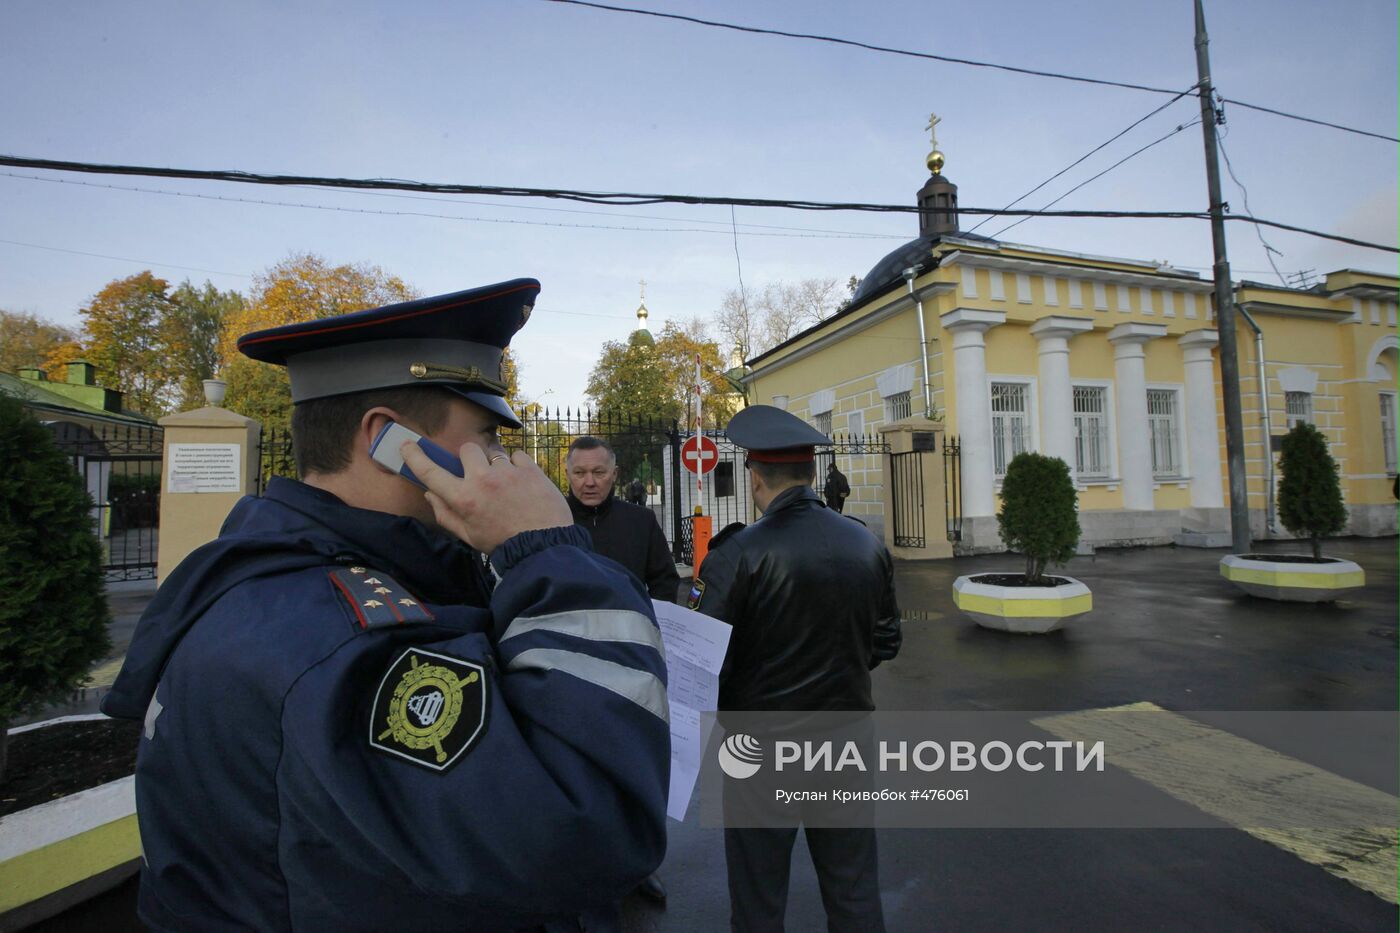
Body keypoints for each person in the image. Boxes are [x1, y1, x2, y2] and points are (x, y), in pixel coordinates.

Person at [101, 281, 669, 932]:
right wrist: (546, 552)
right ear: (389, 441)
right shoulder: (338, 635)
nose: (501, 460)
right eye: (484, 435)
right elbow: (595, 827)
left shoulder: (294, 580)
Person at [689, 405, 901, 933]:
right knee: (853, 890)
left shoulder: (738, 552)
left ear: (755, 477)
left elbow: (706, 658)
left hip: (759, 750)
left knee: (759, 899)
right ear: (810, 473)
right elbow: (888, 641)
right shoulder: (865, 542)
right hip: (847, 738)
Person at [566, 436, 680, 604]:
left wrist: (649, 621)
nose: (589, 482)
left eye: (599, 472)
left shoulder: (642, 521)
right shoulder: (549, 521)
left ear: (614, 474)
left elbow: (665, 582)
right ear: (568, 474)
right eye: (579, 473)